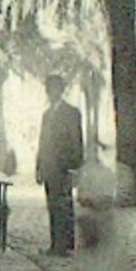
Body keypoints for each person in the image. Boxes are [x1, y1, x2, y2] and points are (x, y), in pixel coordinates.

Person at [35, 74, 84, 256]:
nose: (51, 92)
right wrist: (39, 166)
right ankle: (55, 243)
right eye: (49, 89)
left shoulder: (71, 112)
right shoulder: (46, 115)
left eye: (55, 88)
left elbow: (77, 141)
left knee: (64, 205)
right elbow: (42, 142)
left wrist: (75, 168)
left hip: (64, 167)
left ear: (61, 90)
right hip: (49, 167)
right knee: (53, 206)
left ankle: (65, 245)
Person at [74, 142, 119, 271]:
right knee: (110, 260)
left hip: (90, 219)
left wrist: (91, 202)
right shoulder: (109, 174)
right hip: (106, 218)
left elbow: (81, 197)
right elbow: (112, 197)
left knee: (87, 260)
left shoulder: (83, 174)